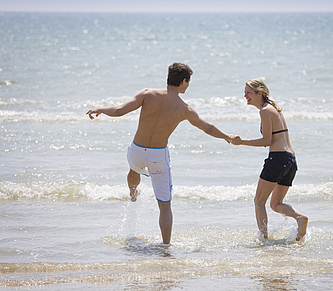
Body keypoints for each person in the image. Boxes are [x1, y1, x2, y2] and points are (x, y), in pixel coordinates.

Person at [86, 62, 235, 245]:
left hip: (137, 152)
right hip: (158, 157)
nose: (188, 85)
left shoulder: (147, 94)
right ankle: (166, 245)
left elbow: (118, 111)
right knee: (165, 206)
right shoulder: (184, 108)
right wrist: (226, 136)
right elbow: (208, 128)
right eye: (188, 82)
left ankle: (133, 193)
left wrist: (100, 109)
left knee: (134, 168)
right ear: (183, 81)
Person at [231, 78, 308, 241]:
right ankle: (300, 218)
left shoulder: (265, 110)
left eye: (248, 93)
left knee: (259, 201)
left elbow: (267, 141)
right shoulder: (275, 109)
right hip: (291, 160)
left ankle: (263, 240)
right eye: (245, 92)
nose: (245, 96)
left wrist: (240, 142)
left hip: (278, 159)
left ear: (259, 93)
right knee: (275, 204)